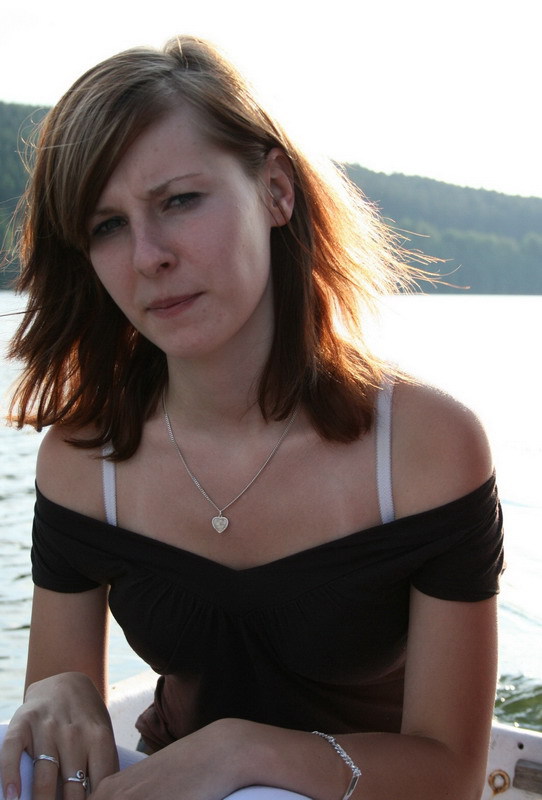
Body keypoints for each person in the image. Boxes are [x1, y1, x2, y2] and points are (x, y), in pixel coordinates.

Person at [0, 35, 503, 800]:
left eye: (178, 201)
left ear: (275, 191)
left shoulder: (424, 449)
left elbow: (453, 774)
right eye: (107, 226)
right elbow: (58, 743)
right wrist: (55, 693)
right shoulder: (85, 460)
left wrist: (240, 752)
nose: (147, 256)